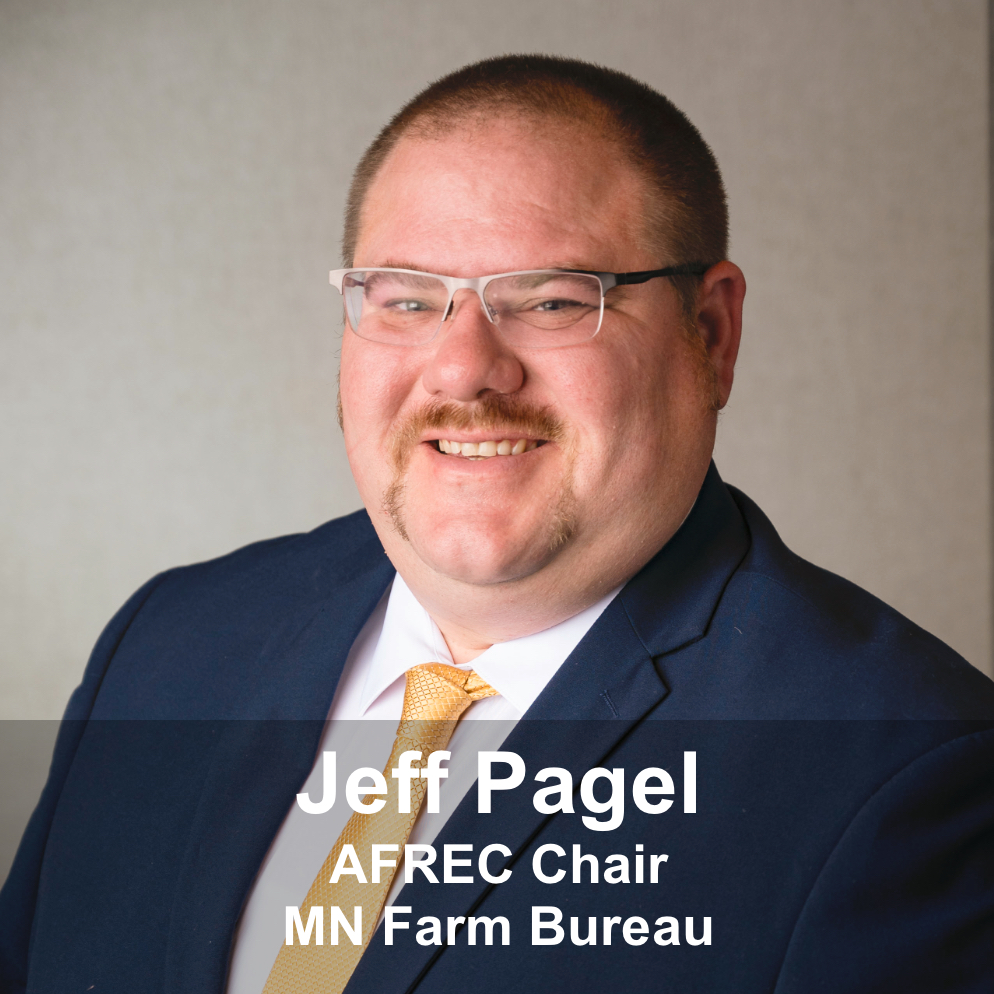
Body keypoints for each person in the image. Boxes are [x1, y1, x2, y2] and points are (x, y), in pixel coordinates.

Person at [2, 54, 993, 994]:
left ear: (711, 334)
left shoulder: (907, 773)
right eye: (407, 299)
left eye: (554, 300)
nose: (466, 367)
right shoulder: (168, 643)